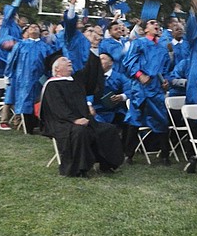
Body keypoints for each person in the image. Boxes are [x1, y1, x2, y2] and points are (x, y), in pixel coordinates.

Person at [40, 56, 124, 177]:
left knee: (108, 129)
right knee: (79, 132)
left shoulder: (75, 82)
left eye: (69, 60)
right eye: (64, 60)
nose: (69, 61)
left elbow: (84, 98)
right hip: (61, 122)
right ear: (57, 68)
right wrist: (74, 119)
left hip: (82, 119)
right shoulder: (52, 85)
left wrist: (87, 110)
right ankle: (79, 169)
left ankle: (106, 164)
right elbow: (58, 107)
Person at [123, 18, 172, 165]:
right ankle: (128, 154)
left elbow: (165, 70)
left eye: (156, 23)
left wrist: (166, 81)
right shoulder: (138, 43)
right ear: (145, 29)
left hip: (156, 89)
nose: (156, 25)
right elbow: (129, 62)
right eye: (152, 23)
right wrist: (139, 75)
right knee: (134, 120)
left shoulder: (163, 49)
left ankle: (165, 154)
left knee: (162, 120)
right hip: (140, 89)